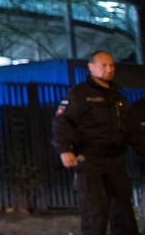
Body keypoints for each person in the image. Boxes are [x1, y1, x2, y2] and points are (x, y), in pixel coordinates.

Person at [52, 50, 141, 235]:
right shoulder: (80, 94)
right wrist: (64, 149)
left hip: (116, 161)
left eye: (112, 65)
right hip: (90, 160)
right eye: (104, 65)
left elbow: (133, 131)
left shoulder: (118, 98)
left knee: (123, 212)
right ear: (91, 67)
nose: (109, 69)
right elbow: (62, 122)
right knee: (95, 213)